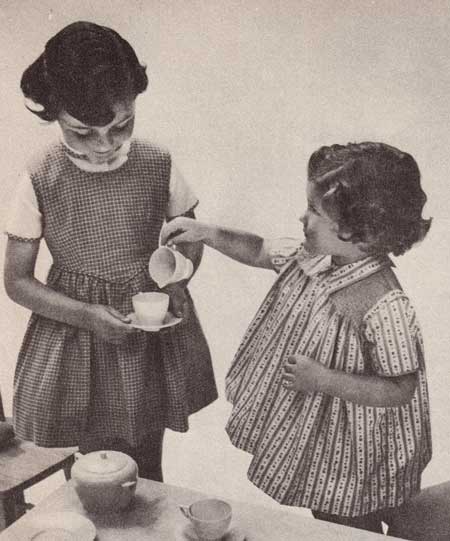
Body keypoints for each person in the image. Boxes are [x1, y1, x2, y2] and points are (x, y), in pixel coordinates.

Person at [161, 142, 432, 533]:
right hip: (322, 438)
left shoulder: (382, 303)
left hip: (357, 451)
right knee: (326, 511)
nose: (302, 217)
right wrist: (208, 233)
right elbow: (259, 249)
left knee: (349, 521)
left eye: (315, 211)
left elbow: (400, 387)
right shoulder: (315, 257)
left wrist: (324, 379)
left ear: (364, 232)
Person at [3, 21, 217, 481]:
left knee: (146, 455)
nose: (105, 145)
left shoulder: (159, 164)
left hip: (149, 334)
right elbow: (17, 282)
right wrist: (86, 315)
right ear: (53, 112)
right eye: (82, 133)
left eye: (122, 126)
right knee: (95, 466)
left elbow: (193, 238)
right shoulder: (40, 175)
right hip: (77, 337)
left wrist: (180, 272)